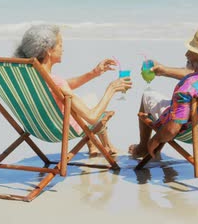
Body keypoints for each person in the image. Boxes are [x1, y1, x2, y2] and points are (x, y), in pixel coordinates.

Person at [14, 24, 132, 156]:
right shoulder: (56, 82)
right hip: (61, 130)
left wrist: (93, 73)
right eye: (60, 45)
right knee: (93, 104)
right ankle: (106, 146)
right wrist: (111, 89)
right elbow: (92, 118)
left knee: (87, 99)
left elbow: (59, 87)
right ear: (48, 50)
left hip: (35, 128)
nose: (63, 49)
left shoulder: (27, 78)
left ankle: (96, 146)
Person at [128, 27, 198, 158]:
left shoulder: (187, 86)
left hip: (192, 128)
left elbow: (172, 129)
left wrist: (155, 140)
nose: (186, 54)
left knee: (147, 96)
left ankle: (143, 147)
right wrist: (164, 70)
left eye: (192, 51)